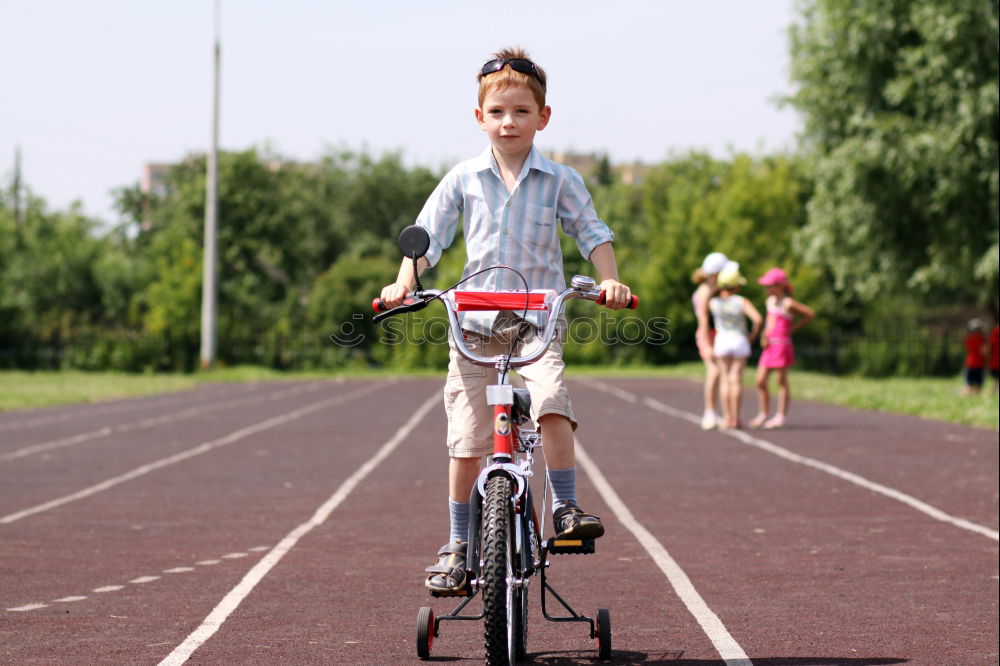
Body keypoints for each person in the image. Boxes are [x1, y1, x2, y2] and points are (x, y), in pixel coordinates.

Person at [379, 47, 633, 597]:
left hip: (537, 323)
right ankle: (458, 545)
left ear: (543, 117)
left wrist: (609, 280)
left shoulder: (561, 180)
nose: (508, 122)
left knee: (551, 404)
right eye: (497, 112)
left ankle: (564, 507)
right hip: (473, 322)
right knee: (467, 438)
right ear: (479, 119)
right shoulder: (463, 178)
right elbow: (429, 236)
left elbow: (593, 233)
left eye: (521, 111)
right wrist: (404, 280)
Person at [748, 268, 815, 429]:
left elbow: (809, 314)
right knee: (760, 380)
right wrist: (764, 334)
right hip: (769, 346)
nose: (766, 289)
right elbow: (769, 320)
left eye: (769, 285)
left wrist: (793, 329)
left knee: (781, 381)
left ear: (780, 286)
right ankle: (763, 413)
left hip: (782, 345)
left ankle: (780, 416)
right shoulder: (770, 302)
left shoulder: (788, 303)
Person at [699, 261, 761, 429]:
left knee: (725, 380)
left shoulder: (713, 303)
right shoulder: (741, 301)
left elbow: (704, 317)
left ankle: (726, 417)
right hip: (740, 340)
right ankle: (736, 418)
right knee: (736, 380)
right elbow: (757, 319)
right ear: (735, 285)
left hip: (722, 341)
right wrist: (752, 337)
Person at [692, 252, 728, 429]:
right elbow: (704, 320)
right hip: (708, 334)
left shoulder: (716, 290)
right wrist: (707, 344)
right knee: (714, 372)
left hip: (719, 334)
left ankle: (720, 412)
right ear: (715, 274)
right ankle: (709, 412)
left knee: (722, 373)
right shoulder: (704, 292)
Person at [963, 319, 987, 395]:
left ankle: (969, 396)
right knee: (979, 384)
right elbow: (985, 351)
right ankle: (976, 396)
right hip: (980, 363)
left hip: (970, 363)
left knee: (968, 383)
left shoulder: (968, 339)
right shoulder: (982, 340)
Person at [990, 323, 999, 395]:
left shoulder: (994, 334)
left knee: (995, 379)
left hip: (995, 362)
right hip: (995, 362)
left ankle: (993, 392)